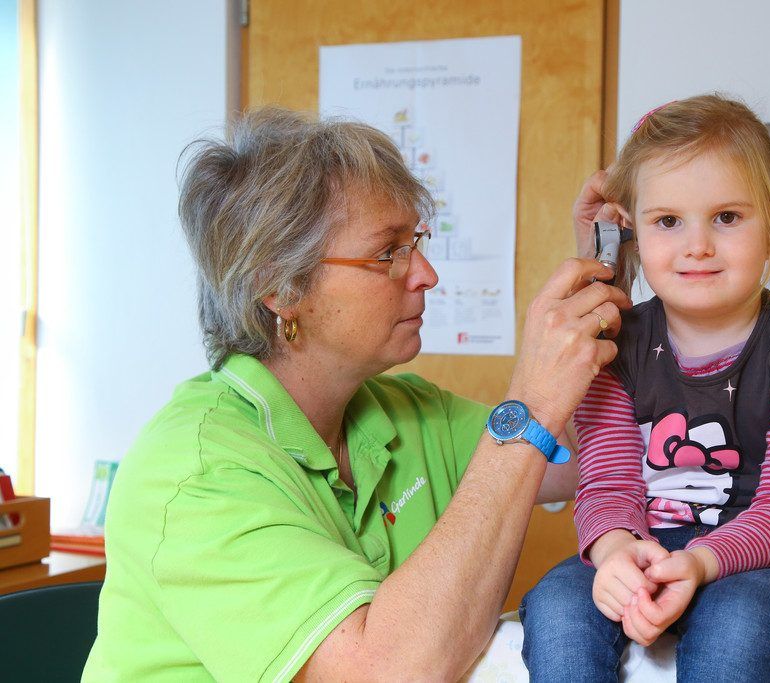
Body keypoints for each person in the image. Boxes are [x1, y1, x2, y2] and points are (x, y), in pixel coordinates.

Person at [82, 108, 631, 682]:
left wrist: (605, 268)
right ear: (280, 286)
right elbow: (385, 672)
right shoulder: (194, 474)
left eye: (413, 241)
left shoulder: (405, 412)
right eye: (386, 252)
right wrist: (531, 405)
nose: (425, 274)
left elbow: (597, 448)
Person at [520, 94, 770, 682]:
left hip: (768, 565)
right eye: (667, 221)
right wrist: (612, 553)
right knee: (556, 605)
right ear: (629, 232)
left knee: (739, 623)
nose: (697, 245)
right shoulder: (613, 345)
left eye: (727, 218)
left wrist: (700, 563)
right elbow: (607, 479)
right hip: (641, 546)